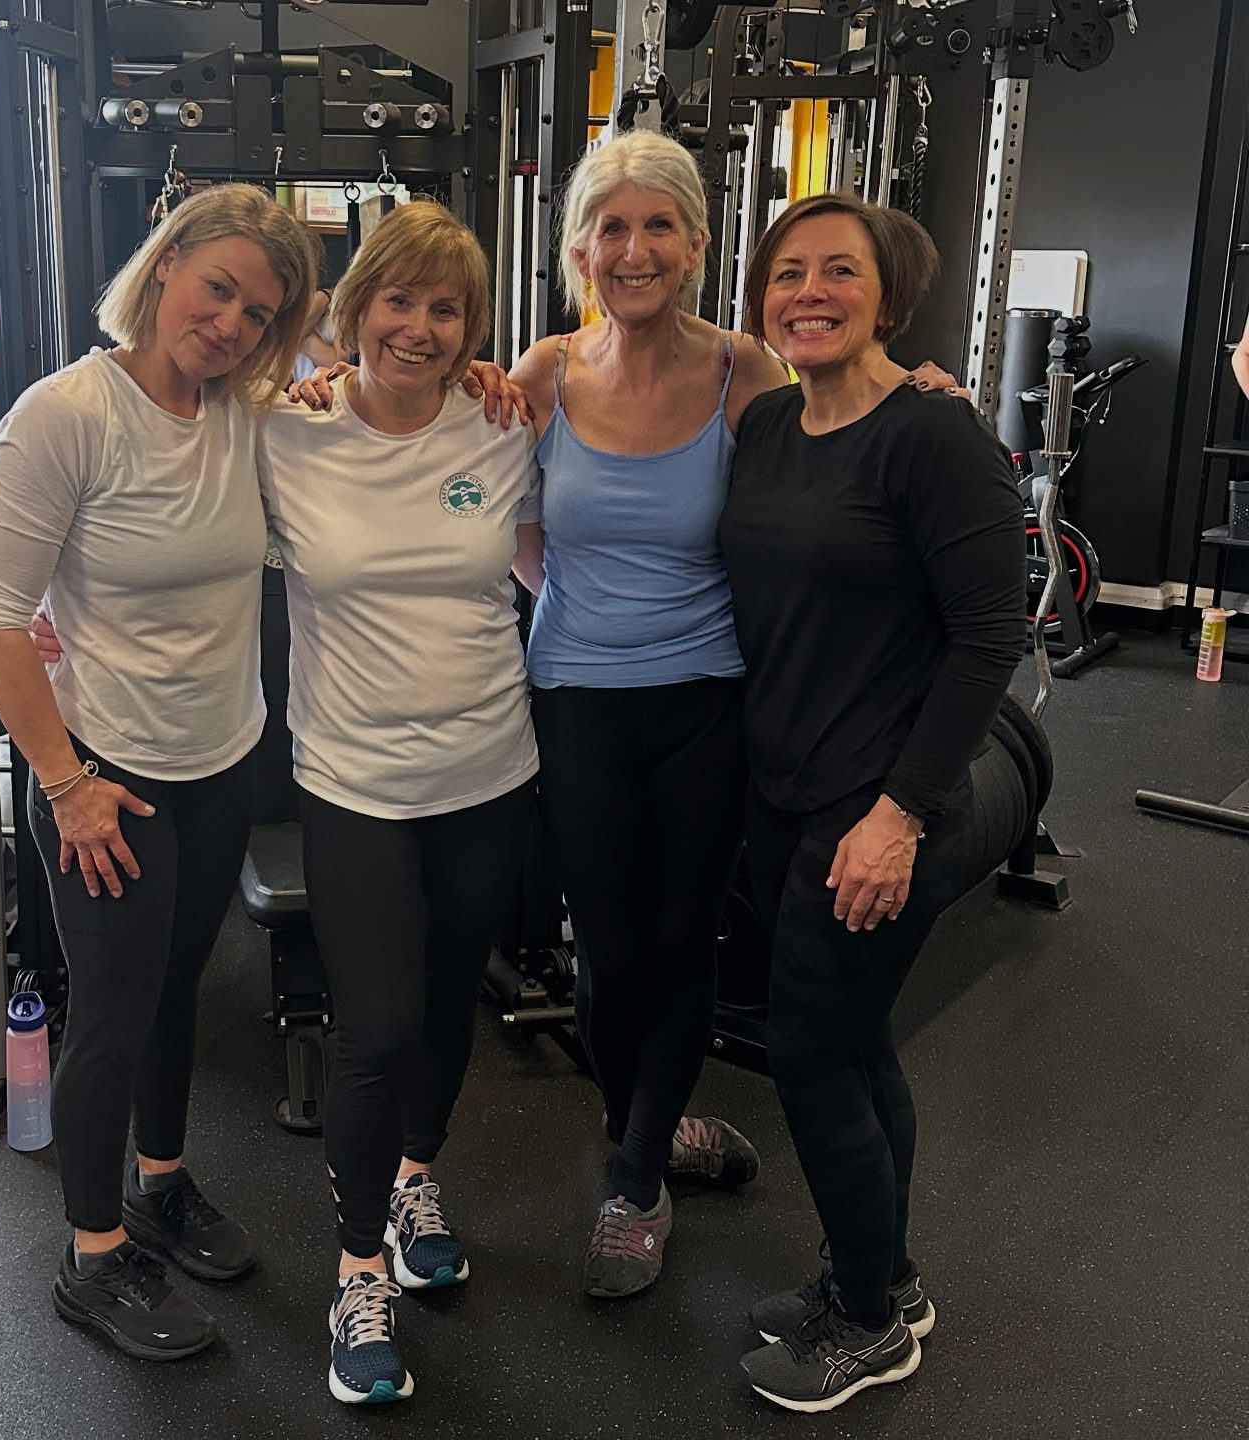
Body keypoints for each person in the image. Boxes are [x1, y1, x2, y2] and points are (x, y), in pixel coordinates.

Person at [503, 132, 965, 1300]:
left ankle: (639, 1179)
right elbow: (505, 521)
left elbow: (843, 415)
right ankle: (649, 1128)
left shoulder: (743, 371)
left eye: (661, 226)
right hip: (577, 697)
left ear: (698, 246)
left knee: (683, 940)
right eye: (613, 227)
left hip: (711, 699)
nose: (636, 248)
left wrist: (922, 390)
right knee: (605, 952)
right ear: (581, 250)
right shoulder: (546, 371)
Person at [0, 183, 319, 1363]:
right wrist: (64, 784)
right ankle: (94, 1254)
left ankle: (162, 1182)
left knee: (176, 995)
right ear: (165, 268)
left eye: (259, 314)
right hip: (102, 775)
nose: (230, 323)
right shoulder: (63, 414)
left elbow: (355, 403)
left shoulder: (243, 414)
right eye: (218, 287)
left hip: (219, 761)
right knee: (112, 1013)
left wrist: (485, 380)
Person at [719, 193, 1024, 1413]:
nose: (809, 292)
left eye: (838, 271)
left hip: (876, 809)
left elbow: (988, 638)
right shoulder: (773, 426)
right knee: (850, 1045)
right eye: (787, 273)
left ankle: (866, 1319)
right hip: (786, 788)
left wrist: (898, 813)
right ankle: (883, 1273)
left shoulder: (937, 435)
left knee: (806, 1052)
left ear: (886, 295)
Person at [261, 202, 541, 1405]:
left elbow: (674, 387)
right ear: (354, 305)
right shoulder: (287, 431)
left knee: (442, 1009)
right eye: (399, 300)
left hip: (491, 769)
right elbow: (145, 462)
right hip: (355, 782)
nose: (419, 329)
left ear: (473, 328)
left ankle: (418, 1171)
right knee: (372, 1032)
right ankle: (357, 1269)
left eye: (446, 309)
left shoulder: (506, 418)